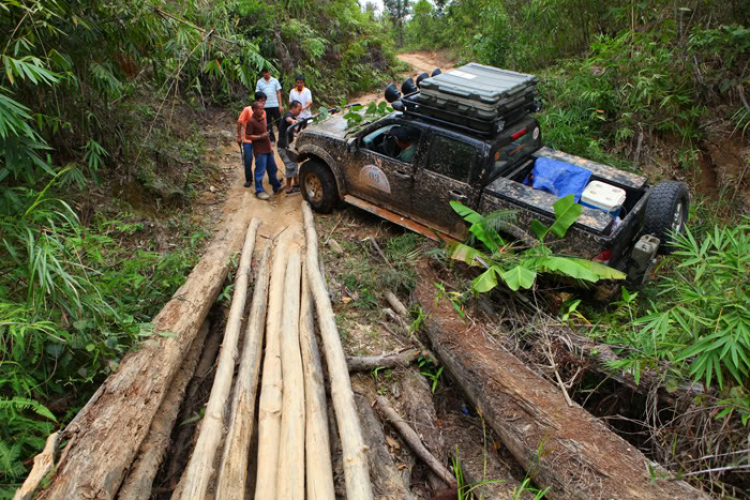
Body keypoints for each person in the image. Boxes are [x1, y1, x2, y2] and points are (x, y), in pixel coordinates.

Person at [245, 101, 282, 200]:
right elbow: (247, 136)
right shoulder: (251, 122)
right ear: (254, 110)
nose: (262, 110)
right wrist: (260, 136)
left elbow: (265, 133)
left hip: (267, 149)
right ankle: (259, 191)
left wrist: (269, 146)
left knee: (272, 168)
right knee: (260, 171)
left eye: (263, 108)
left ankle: (276, 187)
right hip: (260, 151)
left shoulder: (262, 119)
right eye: (260, 109)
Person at [236, 92, 267, 188]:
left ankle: (260, 178)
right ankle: (249, 179)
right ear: (257, 100)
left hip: (259, 140)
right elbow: (239, 122)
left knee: (260, 160)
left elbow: (263, 124)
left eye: (264, 102)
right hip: (248, 139)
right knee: (248, 159)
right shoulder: (247, 110)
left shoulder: (263, 112)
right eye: (262, 101)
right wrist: (238, 136)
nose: (264, 103)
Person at [278, 100, 303, 194]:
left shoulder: (292, 116)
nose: (300, 111)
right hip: (283, 146)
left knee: (294, 161)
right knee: (290, 165)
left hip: (288, 145)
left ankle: (296, 182)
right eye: (298, 109)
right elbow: (288, 119)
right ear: (293, 108)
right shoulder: (288, 115)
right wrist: (293, 121)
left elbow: (293, 130)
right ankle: (288, 188)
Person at [255, 68, 283, 144]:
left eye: (266, 72)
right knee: (268, 123)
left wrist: (280, 105)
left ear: (269, 71)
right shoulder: (260, 82)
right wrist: (258, 105)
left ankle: (282, 139)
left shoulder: (275, 80)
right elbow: (257, 94)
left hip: (275, 105)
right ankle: (272, 139)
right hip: (264, 106)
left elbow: (278, 93)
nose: (265, 74)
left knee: (279, 122)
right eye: (264, 72)